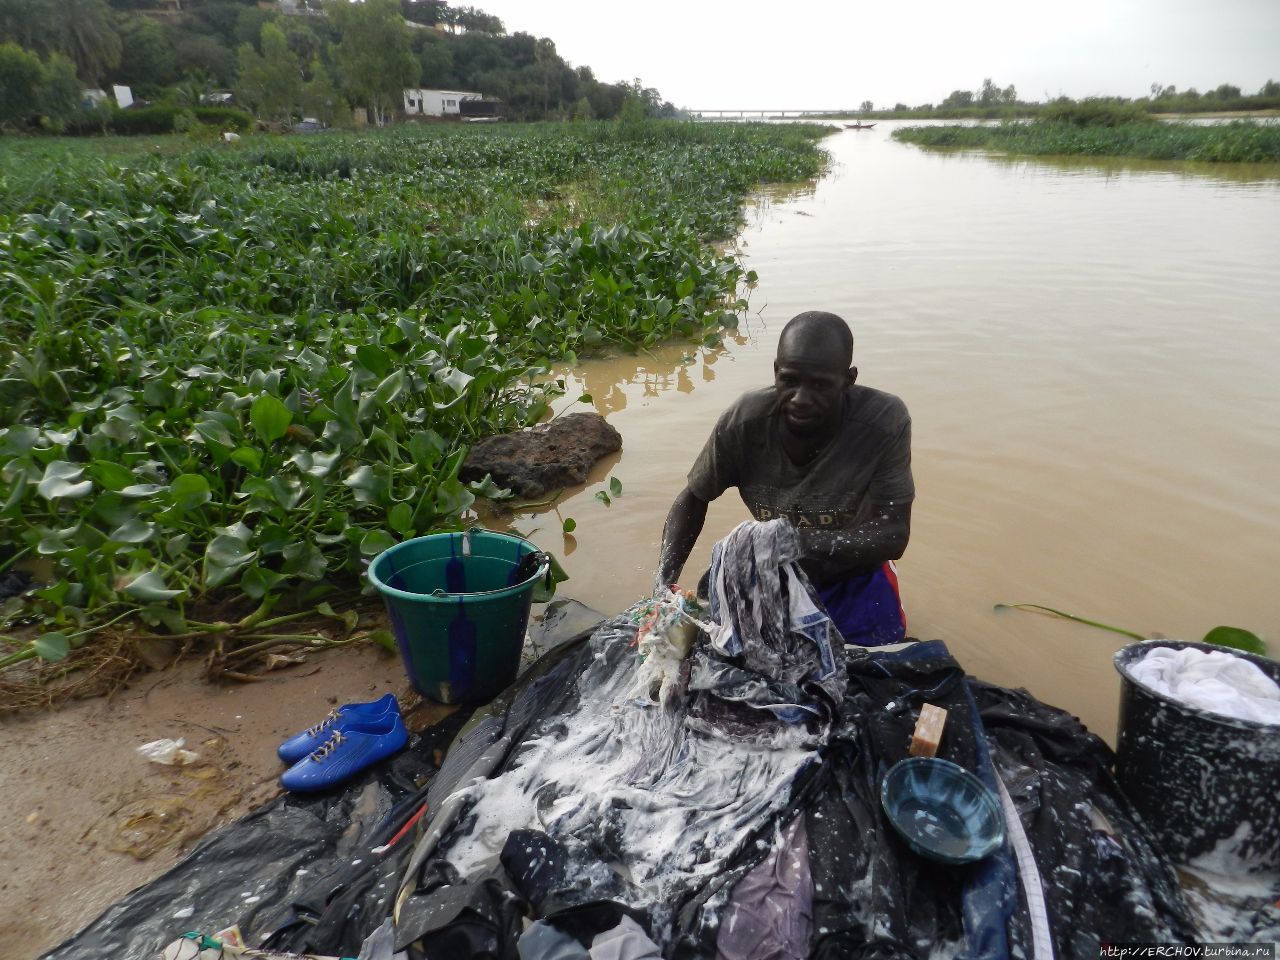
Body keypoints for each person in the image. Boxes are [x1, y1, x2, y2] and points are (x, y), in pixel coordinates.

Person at [654, 311, 914, 646]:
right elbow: (694, 497)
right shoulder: (744, 423)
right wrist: (663, 582)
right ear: (776, 371)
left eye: (820, 385)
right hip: (772, 575)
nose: (801, 399)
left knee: (875, 670)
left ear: (848, 379)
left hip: (853, 576)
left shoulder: (883, 423)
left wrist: (797, 541)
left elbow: (894, 534)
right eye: (789, 381)